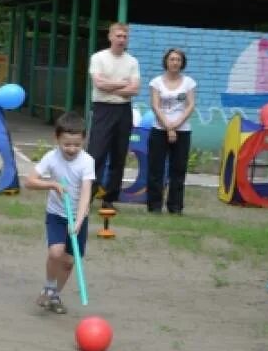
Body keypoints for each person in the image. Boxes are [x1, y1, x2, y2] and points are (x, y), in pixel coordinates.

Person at [23, 112, 95, 315]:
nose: (71, 149)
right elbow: (29, 181)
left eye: (76, 145)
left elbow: (85, 196)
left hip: (78, 216)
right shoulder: (51, 158)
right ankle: (48, 285)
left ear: (83, 140)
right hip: (56, 214)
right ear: (57, 139)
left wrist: (79, 222)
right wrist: (52, 184)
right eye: (66, 144)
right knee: (56, 252)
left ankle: (54, 295)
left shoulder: (87, 161)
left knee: (69, 262)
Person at [86, 22, 140, 210]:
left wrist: (112, 85)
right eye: (118, 36)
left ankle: (110, 198)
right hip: (103, 109)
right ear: (110, 37)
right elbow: (99, 85)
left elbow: (134, 89)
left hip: (124, 110)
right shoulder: (99, 58)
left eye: (124, 37)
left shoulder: (132, 61)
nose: (121, 40)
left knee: (119, 154)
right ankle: (88, 195)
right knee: (96, 154)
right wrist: (122, 85)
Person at [147, 48, 196, 214]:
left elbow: (190, 105)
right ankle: (154, 206)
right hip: (159, 129)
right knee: (156, 169)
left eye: (178, 60)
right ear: (166, 61)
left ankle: (175, 207)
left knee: (178, 169)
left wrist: (176, 125)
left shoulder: (189, 82)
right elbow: (155, 105)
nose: (175, 62)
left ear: (182, 63)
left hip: (182, 130)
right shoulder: (156, 82)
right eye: (172, 59)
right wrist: (168, 126)